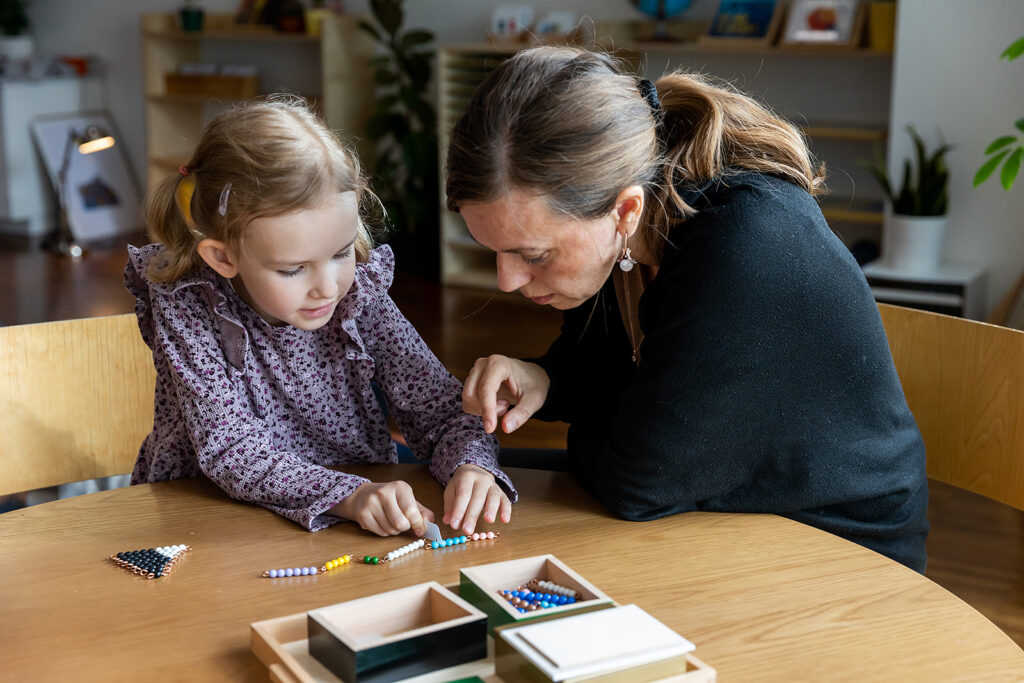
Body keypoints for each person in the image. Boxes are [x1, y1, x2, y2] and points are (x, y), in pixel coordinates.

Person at [447, 47, 928, 572]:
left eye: (533, 255)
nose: (507, 280)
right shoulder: (626, 233)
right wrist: (546, 377)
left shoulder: (743, 245)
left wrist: (606, 424)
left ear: (625, 210)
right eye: (493, 251)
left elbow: (638, 482)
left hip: (838, 549)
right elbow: (606, 368)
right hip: (725, 509)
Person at [126, 97, 514, 537]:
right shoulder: (188, 303)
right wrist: (349, 496)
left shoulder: (357, 292)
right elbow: (232, 450)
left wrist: (470, 465)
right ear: (223, 257)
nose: (328, 287)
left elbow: (440, 410)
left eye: (341, 253)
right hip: (209, 517)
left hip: (348, 521)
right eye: (293, 269)